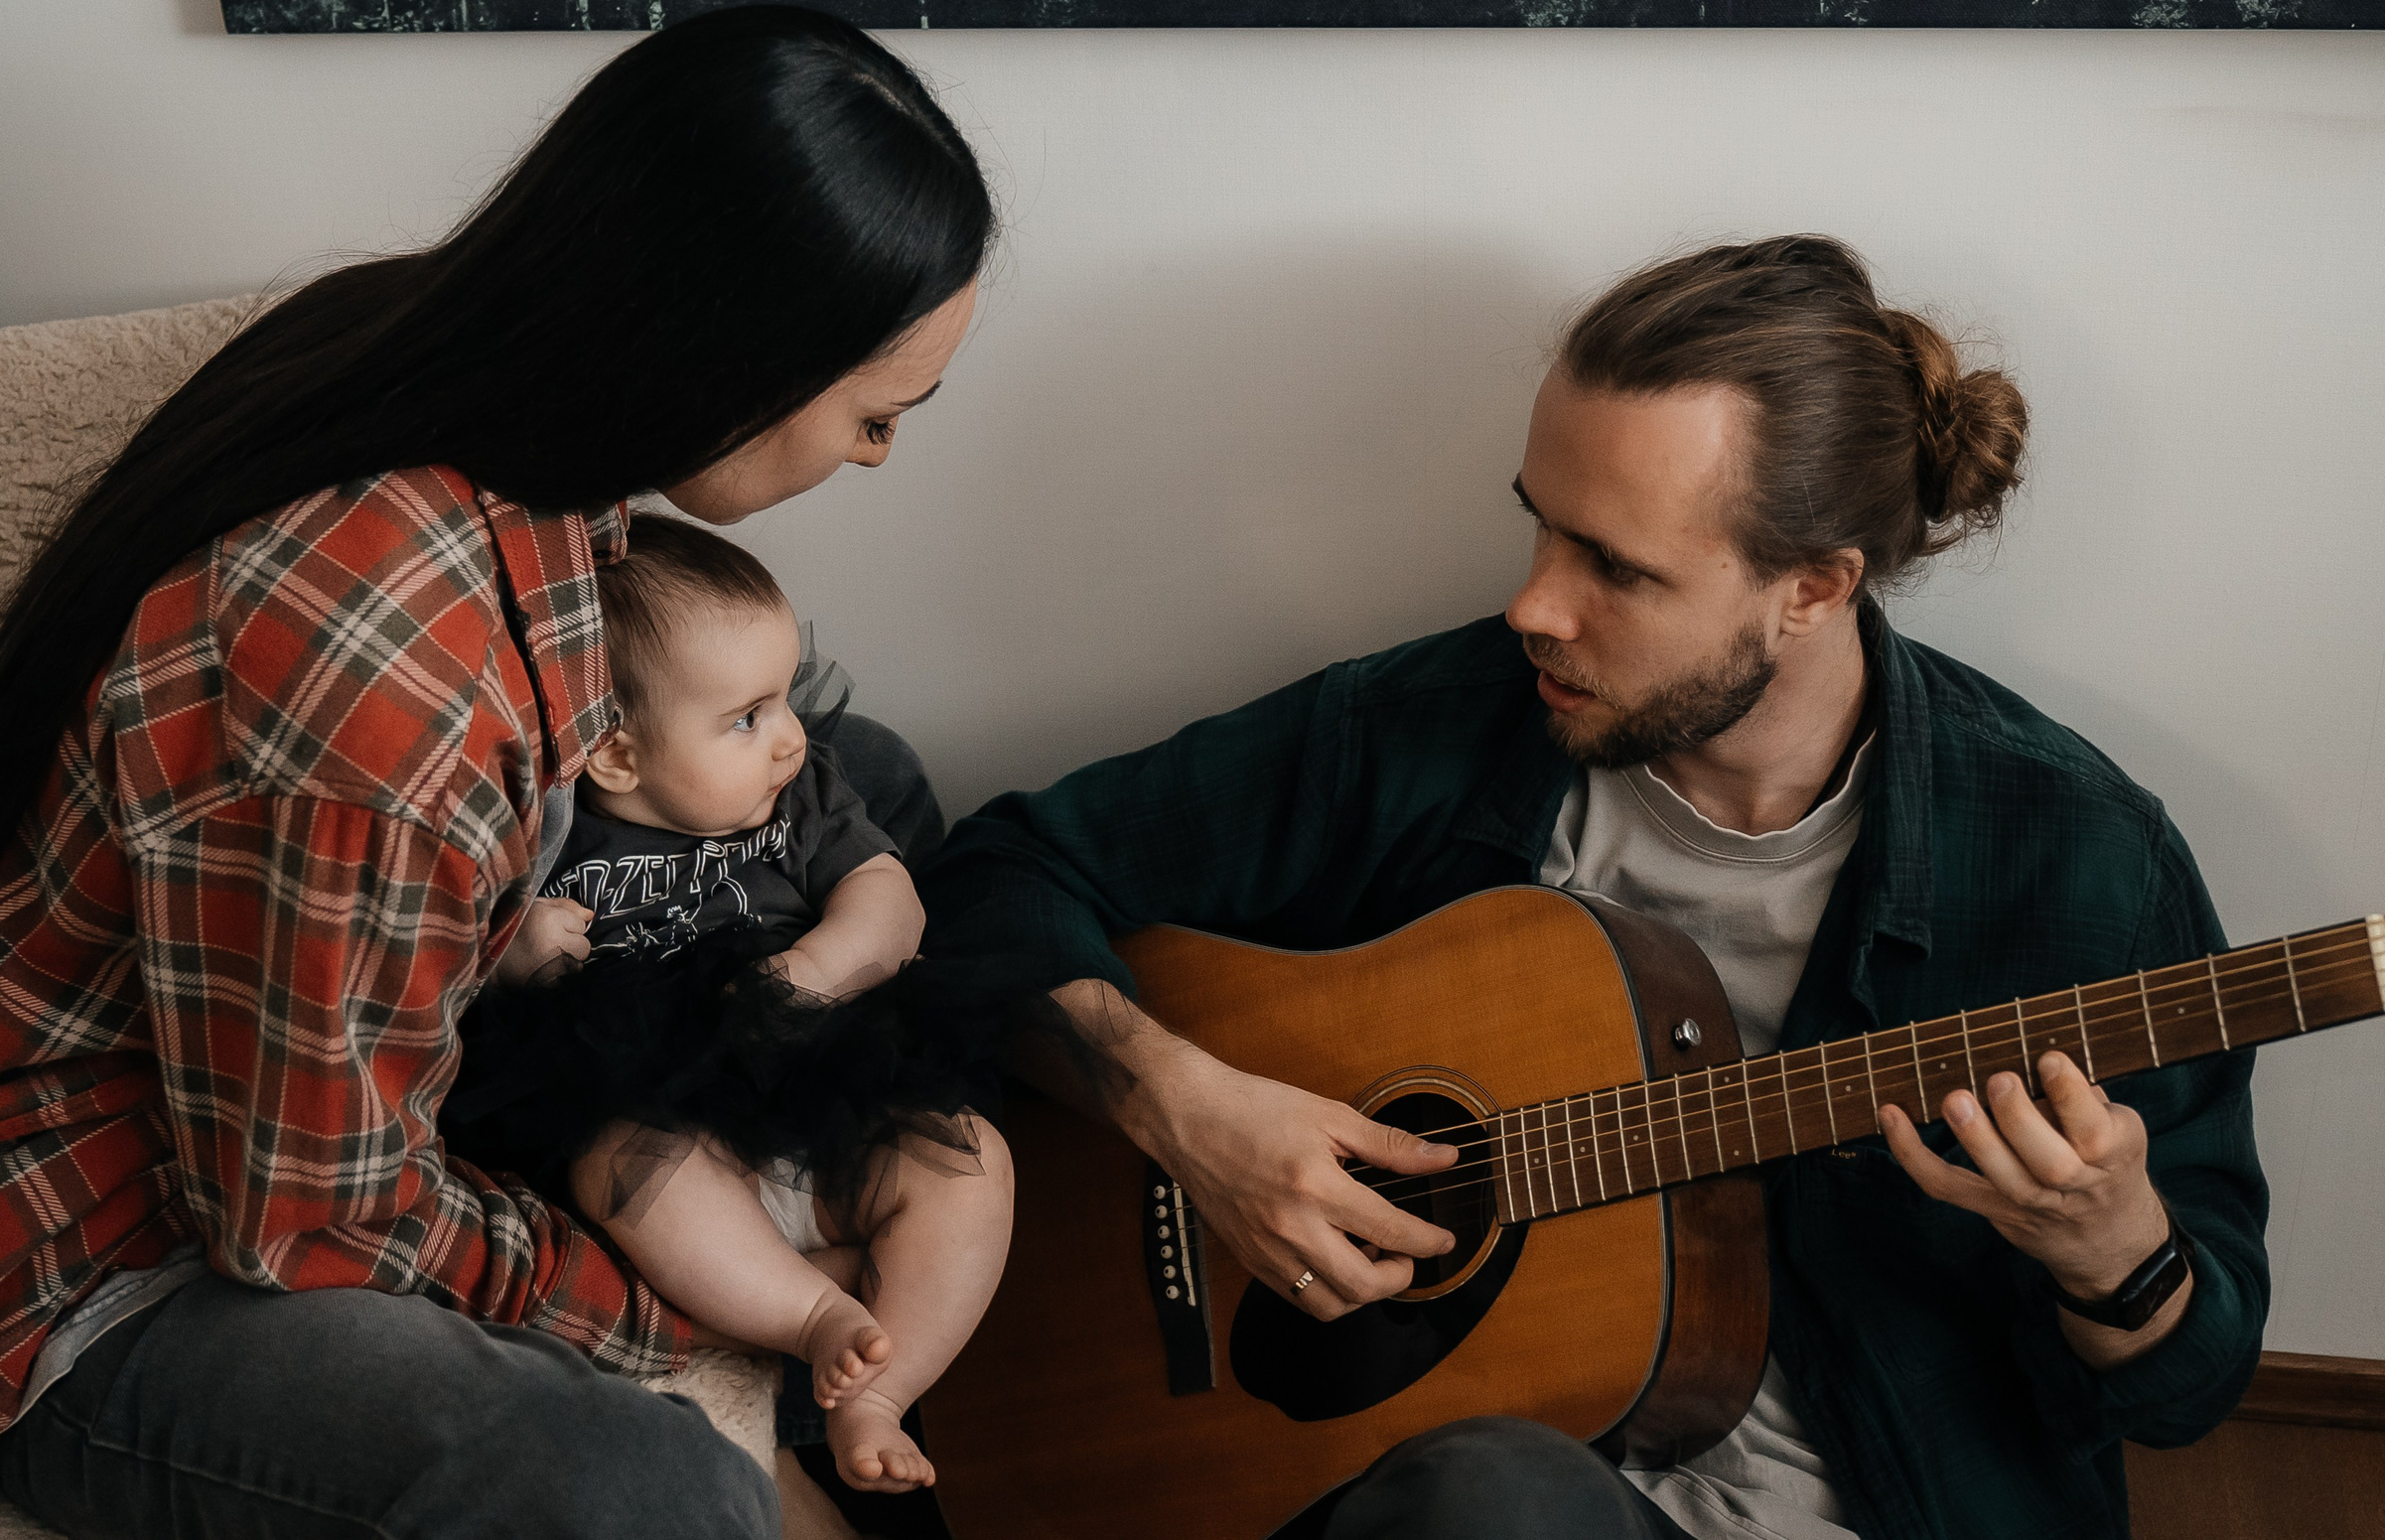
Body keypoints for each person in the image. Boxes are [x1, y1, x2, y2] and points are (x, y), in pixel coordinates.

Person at [0, 4, 990, 1540]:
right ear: (737, 356)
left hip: (300, 1067)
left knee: (873, 786)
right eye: (874, 415)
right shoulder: (393, 697)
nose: (876, 457)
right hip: (94, 1252)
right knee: (641, 1492)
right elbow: (299, 1217)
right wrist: (676, 1317)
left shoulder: (461, 387)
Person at [917, 236, 2268, 1540]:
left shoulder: (2078, 859)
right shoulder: (1435, 732)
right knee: (1491, 1498)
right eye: (1542, 529)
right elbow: (997, 876)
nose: (1532, 605)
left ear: (1812, 587)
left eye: (1614, 566)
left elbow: (2188, 1386)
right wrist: (1182, 1103)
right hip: (1439, 1492)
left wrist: (2116, 1248)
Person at [442, 517, 1019, 1494]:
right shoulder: (558, 843)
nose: (791, 733)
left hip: (821, 1083)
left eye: (785, 694)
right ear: (618, 755)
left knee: (967, 1156)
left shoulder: (802, 797)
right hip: (670, 1124)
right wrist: (522, 954)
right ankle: (807, 1314)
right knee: (626, 1158)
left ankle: (880, 1390)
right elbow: (470, 995)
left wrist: (807, 973)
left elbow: (892, 904)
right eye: (747, 716)